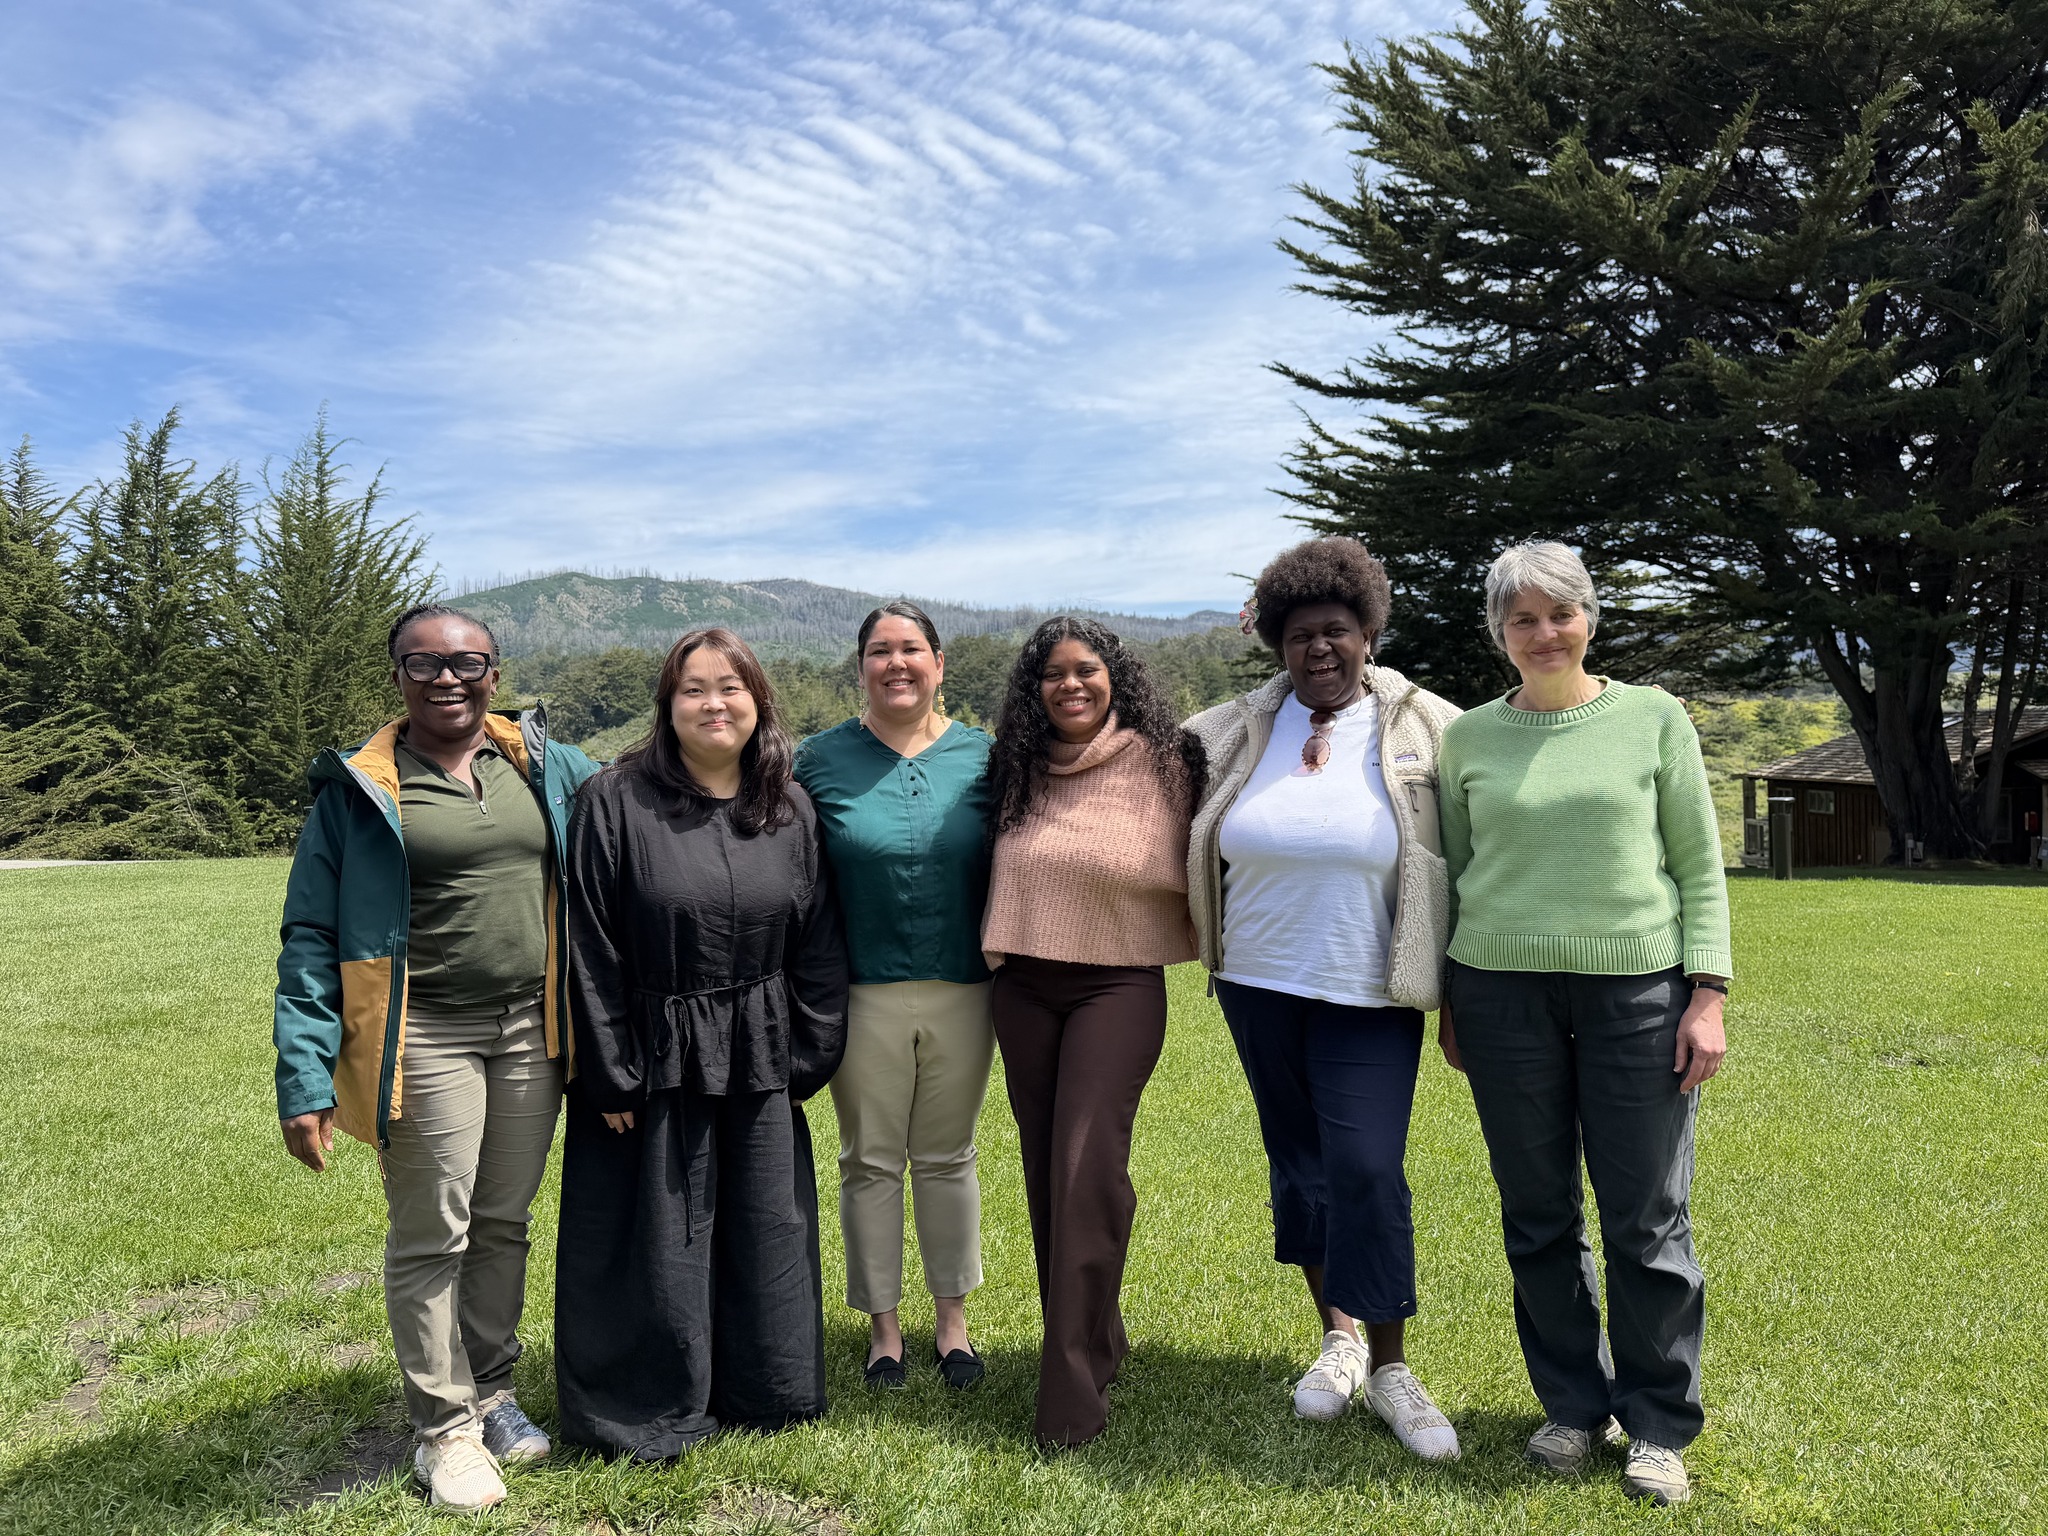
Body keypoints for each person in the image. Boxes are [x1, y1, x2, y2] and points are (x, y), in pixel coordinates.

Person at [273, 603, 598, 1512]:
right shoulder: (361, 788)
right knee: (434, 1233)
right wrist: (304, 1076)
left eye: (468, 661)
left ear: (496, 671)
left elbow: (646, 800)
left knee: (502, 1221)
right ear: (398, 676)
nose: (447, 678)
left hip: (534, 1031)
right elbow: (308, 935)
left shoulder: (542, 765)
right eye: (425, 664)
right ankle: (443, 1431)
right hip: (424, 1035)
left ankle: (491, 1391)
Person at [1436, 541, 1731, 1507]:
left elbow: (1697, 863)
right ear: (1499, 635)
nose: (1544, 632)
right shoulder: (1469, 739)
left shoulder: (1653, 718)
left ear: (1588, 619)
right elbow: (1455, 871)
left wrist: (1708, 993)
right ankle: (1571, 1405)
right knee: (1537, 1215)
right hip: (1499, 993)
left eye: (1559, 613)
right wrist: (1451, 999)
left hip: (1637, 995)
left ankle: (1656, 1423)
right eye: (1521, 618)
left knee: (1647, 1218)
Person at [1184, 537, 1464, 1460]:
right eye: (1298, 634)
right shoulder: (1234, 730)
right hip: (1256, 983)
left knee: (1367, 1169)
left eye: (1336, 631)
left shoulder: (1428, 727)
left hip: (1369, 990)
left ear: (1369, 631)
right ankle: (1337, 1338)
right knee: (1299, 1164)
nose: (1319, 650)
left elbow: (1473, 844)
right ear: (1275, 642)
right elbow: (1145, 746)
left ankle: (1391, 1366)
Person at [554, 626, 848, 1460]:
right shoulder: (613, 801)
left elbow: (819, 943)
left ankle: (765, 1387)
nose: (713, 703)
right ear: (667, 705)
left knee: (763, 1222)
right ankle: (646, 1399)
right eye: (693, 688)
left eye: (731, 686)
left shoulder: (790, 808)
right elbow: (591, 943)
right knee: (657, 1229)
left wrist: (807, 1054)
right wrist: (609, 1074)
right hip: (650, 1053)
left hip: (760, 1048)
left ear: (758, 701)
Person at [981, 615, 1203, 1448]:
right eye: (1052, 674)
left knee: (1087, 1172)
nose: (1070, 685)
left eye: (1087, 670)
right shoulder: (1015, 769)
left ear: (1117, 676)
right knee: (1047, 1176)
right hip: (1025, 990)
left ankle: (1069, 1392)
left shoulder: (1170, 761)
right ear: (1033, 690)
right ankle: (1095, 1337)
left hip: (1117, 986)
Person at [795, 601, 995, 1391]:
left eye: (912, 649)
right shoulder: (818, 760)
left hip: (965, 988)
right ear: (861, 668)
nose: (897, 663)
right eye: (880, 651)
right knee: (869, 1161)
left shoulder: (986, 756)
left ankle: (953, 1324)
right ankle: (883, 1330)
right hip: (862, 990)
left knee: (948, 1157)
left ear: (940, 665)